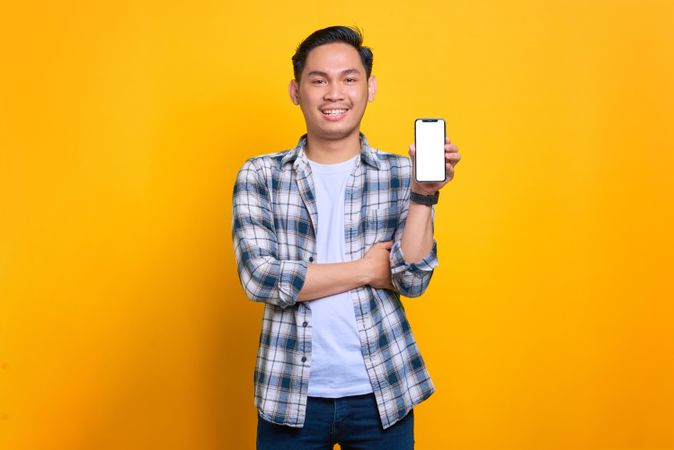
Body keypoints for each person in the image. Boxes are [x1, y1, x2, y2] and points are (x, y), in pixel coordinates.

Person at [232, 25, 461, 450]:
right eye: (318, 80)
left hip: (382, 391)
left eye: (349, 79)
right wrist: (366, 269)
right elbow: (261, 279)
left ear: (369, 88)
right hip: (289, 393)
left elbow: (411, 280)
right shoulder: (261, 174)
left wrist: (423, 195)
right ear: (296, 91)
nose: (334, 93)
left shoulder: (398, 175)